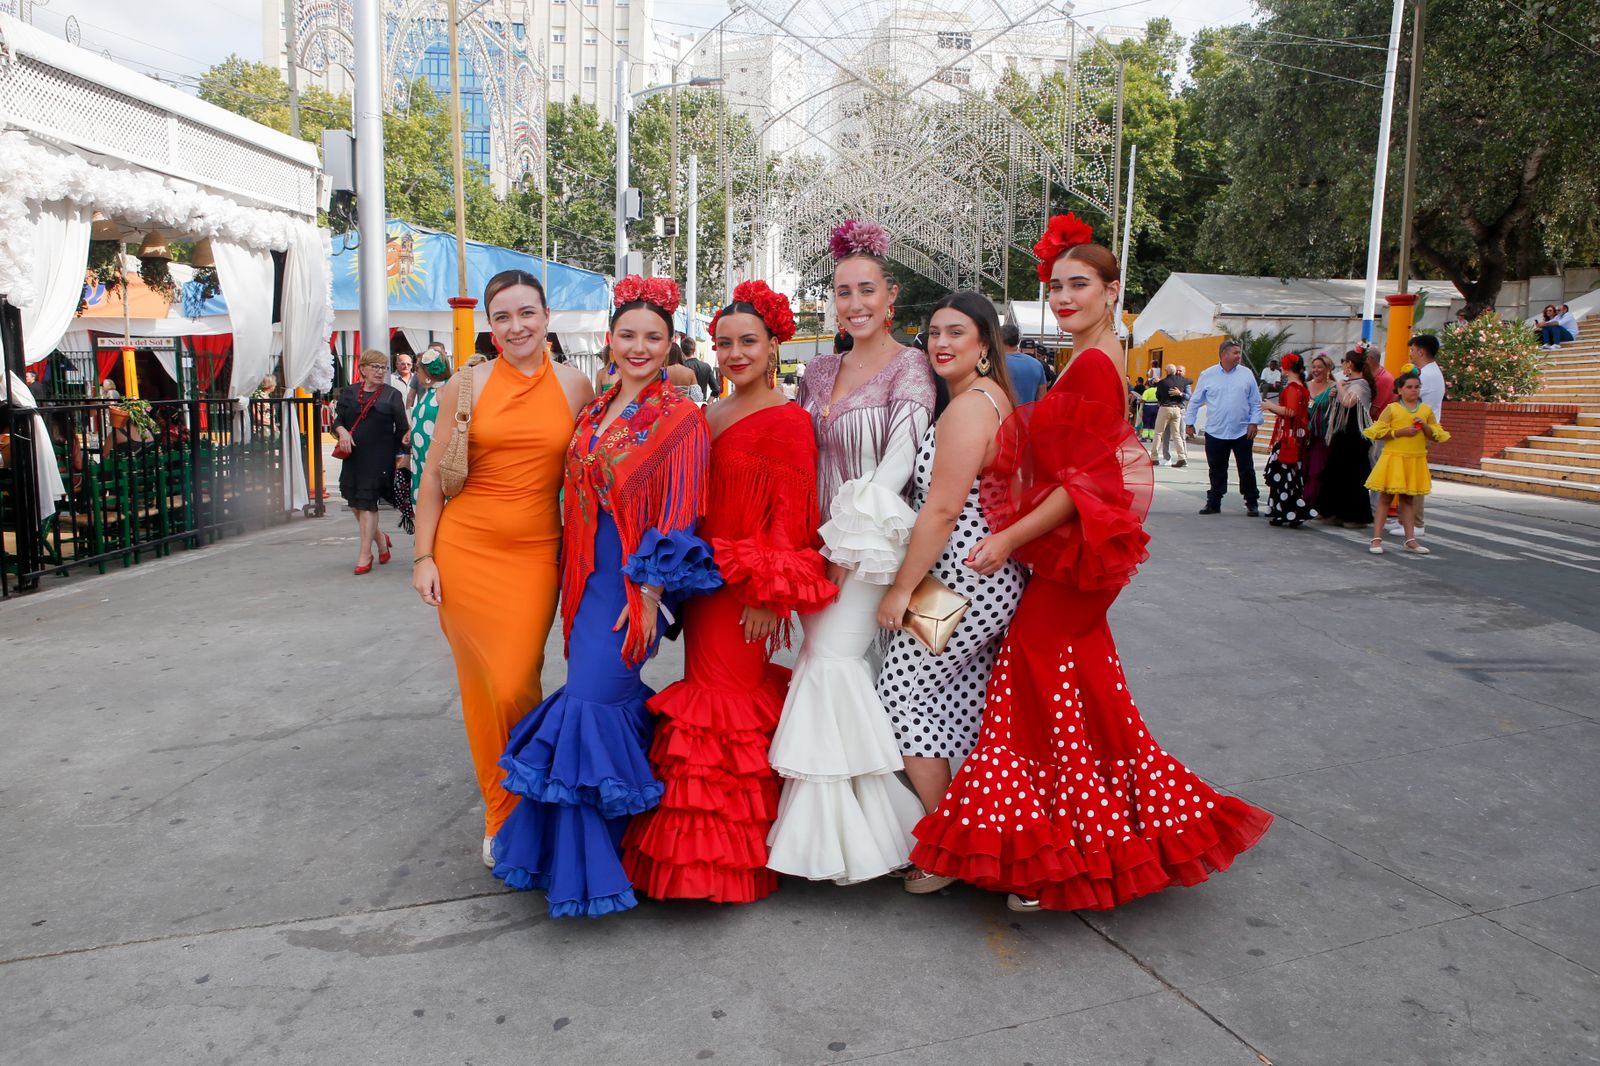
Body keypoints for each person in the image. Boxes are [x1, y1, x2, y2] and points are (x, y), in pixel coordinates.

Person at [910, 213, 1272, 912]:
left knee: (1038, 691)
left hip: (1053, 567)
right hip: (1065, 565)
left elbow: (1087, 482)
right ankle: (1094, 835)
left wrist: (1009, 540)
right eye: (1055, 286)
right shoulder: (1089, 359)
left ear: (1113, 290)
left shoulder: (1096, 367)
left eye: (1080, 284)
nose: (1065, 296)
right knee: (1078, 697)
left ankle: (1056, 852)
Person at [490, 275, 720, 918]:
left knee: (593, 699)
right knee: (596, 698)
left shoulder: (681, 419)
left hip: (627, 586)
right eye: (627, 335)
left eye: (653, 337)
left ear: (672, 344)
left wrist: (649, 593)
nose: (639, 346)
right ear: (610, 340)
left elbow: (681, 516)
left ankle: (599, 861)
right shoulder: (596, 406)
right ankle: (626, 848)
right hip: (584, 579)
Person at [622, 281, 834, 906]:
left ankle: (721, 861)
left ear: (774, 347)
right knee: (718, 703)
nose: (736, 353)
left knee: (725, 709)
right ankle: (725, 850)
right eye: (725, 343)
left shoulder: (791, 421)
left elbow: (791, 517)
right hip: (701, 583)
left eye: (749, 342)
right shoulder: (706, 413)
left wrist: (769, 595)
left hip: (746, 588)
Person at [766, 220, 933, 885]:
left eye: (867, 290)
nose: (855, 303)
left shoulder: (911, 366)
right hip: (815, 547)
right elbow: (797, 456)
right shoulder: (818, 369)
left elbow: (898, 466)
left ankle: (873, 838)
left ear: (891, 299)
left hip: (873, 547)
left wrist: (846, 540)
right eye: (843, 292)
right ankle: (852, 836)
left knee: (831, 665)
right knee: (836, 669)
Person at [411, 269, 594, 870]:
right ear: (490, 327)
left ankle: (528, 795)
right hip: (466, 553)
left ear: (547, 317)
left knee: (518, 680)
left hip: (540, 554)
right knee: (485, 688)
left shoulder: (576, 386)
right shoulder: (462, 388)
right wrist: (424, 557)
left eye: (526, 313)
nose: (516, 327)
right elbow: (433, 480)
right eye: (502, 317)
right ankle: (503, 812)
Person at [872, 292, 1026, 894]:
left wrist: (900, 591)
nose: (940, 343)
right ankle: (977, 834)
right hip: (973, 579)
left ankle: (944, 847)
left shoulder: (969, 409)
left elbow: (941, 510)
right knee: (959, 704)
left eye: (956, 333)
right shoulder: (981, 400)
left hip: (958, 581)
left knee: (903, 693)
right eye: (933, 332)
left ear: (984, 343)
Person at [335, 350, 409, 575]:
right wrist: (342, 432)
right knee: (355, 502)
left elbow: (402, 428)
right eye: (375, 367)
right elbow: (338, 420)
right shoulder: (350, 393)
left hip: (380, 457)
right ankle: (380, 538)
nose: (380, 372)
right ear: (362, 369)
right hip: (354, 455)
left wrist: (402, 455)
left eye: (384, 367)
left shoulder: (392, 395)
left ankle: (365, 553)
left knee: (367, 502)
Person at [1365, 365, 1450, 555]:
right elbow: (1376, 432)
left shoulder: (1426, 410)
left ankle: (1410, 539)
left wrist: (1425, 427)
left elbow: (1437, 435)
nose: (1414, 390)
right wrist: (1398, 432)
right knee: (1385, 499)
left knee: (1408, 500)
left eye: (1417, 387)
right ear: (1400, 390)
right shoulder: (1392, 409)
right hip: (1394, 458)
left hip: (1414, 459)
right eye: (1410, 387)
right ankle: (1376, 539)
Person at [1185, 339, 1263, 516]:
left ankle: (1251, 501)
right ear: (1224, 355)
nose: (1239, 356)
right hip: (1216, 431)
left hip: (1242, 430)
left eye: (1239, 352)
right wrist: (1189, 423)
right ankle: (1214, 502)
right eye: (1235, 353)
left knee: (1246, 468)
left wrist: (1254, 422)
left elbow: (1255, 401)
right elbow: (1196, 401)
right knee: (1216, 468)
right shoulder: (1208, 375)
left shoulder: (1246, 374)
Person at [1315, 349, 1376, 528]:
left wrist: (1339, 387)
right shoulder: (1350, 382)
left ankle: (1356, 516)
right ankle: (1335, 511)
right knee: (1337, 474)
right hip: (1342, 434)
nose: (1343, 365)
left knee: (1352, 476)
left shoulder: (1361, 384)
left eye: (1344, 361)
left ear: (1349, 364)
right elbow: (1341, 403)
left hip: (1355, 437)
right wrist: (1335, 394)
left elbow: (1349, 402)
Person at [1259, 353, 1311, 527]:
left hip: (1289, 438)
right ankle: (1287, 511)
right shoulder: (1300, 386)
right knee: (1289, 476)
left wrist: (1270, 406)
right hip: (1294, 436)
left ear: (1288, 368)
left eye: (1282, 365)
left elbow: (1291, 411)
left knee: (1284, 475)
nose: (1281, 368)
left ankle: (1286, 511)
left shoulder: (1293, 388)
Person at [406, 347, 452, 509]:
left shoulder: (443, 391)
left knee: (434, 504)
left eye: (418, 368)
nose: (415, 371)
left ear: (428, 372)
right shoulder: (431, 391)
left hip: (434, 462)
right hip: (423, 461)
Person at [1303, 353, 1337, 513]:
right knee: (1305, 468)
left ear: (1328, 369)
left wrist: (1332, 400)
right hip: (1306, 436)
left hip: (1323, 437)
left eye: (1320, 367)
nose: (1316, 370)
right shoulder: (1306, 385)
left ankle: (1316, 503)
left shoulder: (1334, 387)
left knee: (1318, 471)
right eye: (1314, 367)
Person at [1150, 362, 1189, 467]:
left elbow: (1158, 395)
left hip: (1165, 407)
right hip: (1177, 409)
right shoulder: (1181, 381)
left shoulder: (1163, 383)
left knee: (1159, 433)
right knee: (1177, 435)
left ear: (1166, 372)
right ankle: (1182, 457)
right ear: (1175, 371)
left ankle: (1154, 457)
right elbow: (1191, 381)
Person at [1001, 321, 1047, 402]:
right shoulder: (1037, 364)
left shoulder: (995, 363)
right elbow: (1041, 398)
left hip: (1003, 414)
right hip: (1029, 414)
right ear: (1018, 341)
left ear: (998, 339)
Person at [679, 332, 719, 399]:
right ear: (694, 350)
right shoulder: (706, 366)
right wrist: (707, 403)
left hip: (687, 405)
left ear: (682, 351)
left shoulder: (682, 367)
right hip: (701, 404)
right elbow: (716, 389)